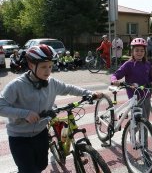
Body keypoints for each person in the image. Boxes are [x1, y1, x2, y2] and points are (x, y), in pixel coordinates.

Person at [0, 44, 103, 173]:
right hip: (19, 137)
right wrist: (24, 114)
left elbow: (69, 88)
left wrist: (88, 93)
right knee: (28, 170)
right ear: (31, 65)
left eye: (50, 66)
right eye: (43, 67)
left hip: (40, 133)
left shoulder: (51, 82)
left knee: (42, 165)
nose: (48, 71)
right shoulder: (17, 85)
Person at [111, 38, 152, 120]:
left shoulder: (147, 64)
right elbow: (116, 75)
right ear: (132, 52)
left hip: (146, 95)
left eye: (142, 50)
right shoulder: (128, 64)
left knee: (145, 120)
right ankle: (132, 132)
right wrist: (114, 80)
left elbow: (151, 77)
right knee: (136, 121)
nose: (139, 53)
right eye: (137, 50)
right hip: (134, 96)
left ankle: (144, 132)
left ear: (145, 52)